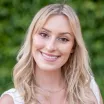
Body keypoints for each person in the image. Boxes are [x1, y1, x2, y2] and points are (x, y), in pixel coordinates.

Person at [0, 4, 103, 104]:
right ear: (32, 38)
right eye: (44, 34)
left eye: (63, 39)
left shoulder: (89, 90)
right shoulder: (11, 101)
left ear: (73, 47)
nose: (50, 47)